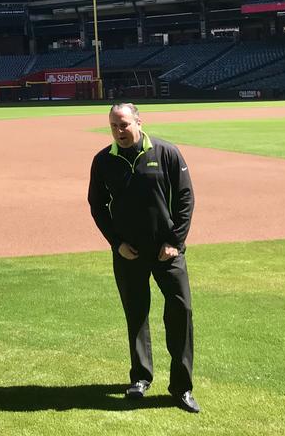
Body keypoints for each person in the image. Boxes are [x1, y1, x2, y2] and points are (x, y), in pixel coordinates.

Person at [88, 103, 199, 414]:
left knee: (181, 313)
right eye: (113, 126)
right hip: (129, 253)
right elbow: (97, 206)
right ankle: (140, 378)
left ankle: (181, 387)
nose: (119, 131)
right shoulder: (103, 160)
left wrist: (175, 242)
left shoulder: (166, 153)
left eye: (124, 124)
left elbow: (186, 198)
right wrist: (116, 243)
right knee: (136, 315)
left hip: (167, 252)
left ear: (138, 122)